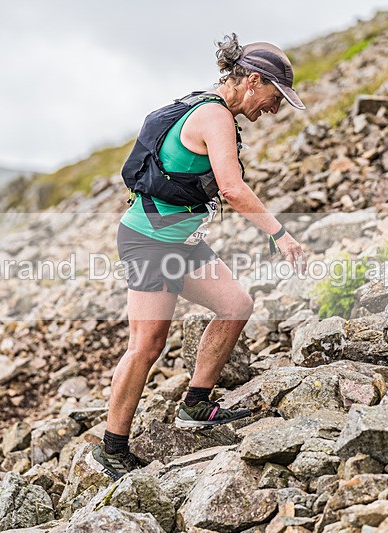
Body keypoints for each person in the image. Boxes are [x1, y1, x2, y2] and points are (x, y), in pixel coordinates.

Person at [88, 34, 307, 480]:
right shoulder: (214, 115)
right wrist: (280, 234)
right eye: (274, 96)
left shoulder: (207, 107)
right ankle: (112, 449)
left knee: (236, 306)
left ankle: (196, 405)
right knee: (146, 346)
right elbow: (231, 187)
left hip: (180, 242)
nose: (275, 108)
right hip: (150, 241)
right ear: (253, 80)